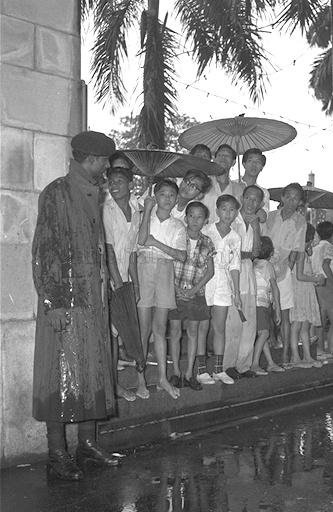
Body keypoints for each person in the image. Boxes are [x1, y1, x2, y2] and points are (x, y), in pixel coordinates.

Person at [32, 131, 119, 481]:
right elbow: (45, 249)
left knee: (92, 371)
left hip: (92, 303)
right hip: (66, 302)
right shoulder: (57, 192)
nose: (107, 167)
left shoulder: (93, 192)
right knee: (59, 375)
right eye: (104, 161)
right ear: (93, 160)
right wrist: (52, 301)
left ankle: (86, 445)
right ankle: (57, 453)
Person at [137, 178, 186, 399]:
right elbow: (140, 240)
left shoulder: (178, 225)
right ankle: (140, 380)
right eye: (163, 194)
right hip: (144, 267)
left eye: (171, 195)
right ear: (155, 196)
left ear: (176, 199)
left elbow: (181, 255)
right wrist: (147, 211)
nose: (167, 199)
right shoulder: (144, 215)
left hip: (165, 271)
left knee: (160, 328)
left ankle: (163, 378)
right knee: (143, 329)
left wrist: (155, 243)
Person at [103, 153, 141, 402]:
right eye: (110, 181)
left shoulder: (136, 210)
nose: (114, 186)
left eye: (119, 181)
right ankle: (113, 386)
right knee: (112, 333)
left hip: (126, 279)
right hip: (109, 279)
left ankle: (116, 383)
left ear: (130, 185)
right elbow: (107, 249)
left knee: (118, 332)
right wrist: (117, 282)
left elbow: (133, 252)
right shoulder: (106, 208)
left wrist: (134, 284)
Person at [168, 201, 215, 390]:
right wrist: (175, 288)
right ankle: (176, 373)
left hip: (197, 294)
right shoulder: (177, 237)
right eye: (192, 216)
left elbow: (210, 271)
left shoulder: (207, 242)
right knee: (175, 332)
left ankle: (189, 374)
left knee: (193, 332)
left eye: (200, 217)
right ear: (186, 217)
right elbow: (168, 263)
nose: (195, 220)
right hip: (175, 292)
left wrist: (193, 290)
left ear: (205, 220)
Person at [223, 185, 263, 380]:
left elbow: (256, 252)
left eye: (255, 200)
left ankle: (243, 365)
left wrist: (255, 227)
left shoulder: (255, 222)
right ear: (242, 198)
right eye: (248, 198)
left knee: (249, 324)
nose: (251, 203)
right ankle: (228, 365)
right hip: (232, 274)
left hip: (249, 273)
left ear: (260, 204)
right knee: (233, 323)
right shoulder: (232, 218)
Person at [265, 183, 307, 366]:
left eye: (295, 197)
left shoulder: (300, 221)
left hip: (284, 270)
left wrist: (288, 266)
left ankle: (285, 355)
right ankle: (267, 351)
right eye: (288, 196)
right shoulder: (270, 216)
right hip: (264, 267)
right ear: (282, 198)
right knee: (265, 312)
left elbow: (297, 248)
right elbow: (263, 239)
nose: (291, 200)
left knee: (284, 314)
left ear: (300, 202)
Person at [203, 194, 242, 384]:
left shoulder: (235, 237)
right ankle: (201, 370)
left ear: (236, 213)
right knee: (202, 326)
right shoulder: (206, 230)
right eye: (224, 209)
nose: (228, 213)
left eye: (232, 210)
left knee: (219, 327)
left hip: (223, 283)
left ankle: (218, 369)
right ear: (217, 211)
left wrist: (237, 292)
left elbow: (235, 266)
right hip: (204, 280)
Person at [289, 224, 325, 368]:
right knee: (297, 324)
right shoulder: (300, 253)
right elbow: (299, 276)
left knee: (305, 325)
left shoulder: (304, 251)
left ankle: (307, 356)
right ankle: (296, 357)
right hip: (300, 289)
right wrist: (315, 279)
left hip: (305, 289)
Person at [251, 236, 284, 374]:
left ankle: (270, 362)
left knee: (262, 334)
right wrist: (277, 308)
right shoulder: (267, 265)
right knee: (264, 333)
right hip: (261, 304)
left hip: (252, 303)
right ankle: (254, 364)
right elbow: (274, 287)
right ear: (271, 252)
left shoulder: (252, 263)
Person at [312, 221, 333, 361]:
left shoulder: (316, 247)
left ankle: (319, 350)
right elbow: (326, 265)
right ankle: (331, 351)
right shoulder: (329, 247)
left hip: (317, 284)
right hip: (328, 284)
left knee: (321, 320)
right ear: (332, 233)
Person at [202, 144, 244, 224]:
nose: (223, 158)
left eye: (227, 155)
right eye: (220, 155)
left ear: (233, 162)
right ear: (214, 159)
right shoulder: (204, 181)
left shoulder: (239, 189)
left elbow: (239, 217)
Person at [238, 148, 270, 221]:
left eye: (258, 162)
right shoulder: (233, 185)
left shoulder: (264, 192)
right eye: (250, 161)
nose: (254, 164)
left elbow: (263, 217)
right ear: (244, 164)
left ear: (262, 167)